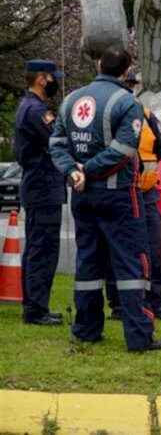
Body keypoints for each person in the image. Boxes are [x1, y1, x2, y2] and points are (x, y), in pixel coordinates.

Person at [50, 46, 161, 353]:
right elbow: (123, 150)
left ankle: (86, 329)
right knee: (130, 265)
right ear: (126, 72)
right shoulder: (127, 103)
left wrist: (73, 171)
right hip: (119, 197)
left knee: (88, 263)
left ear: (99, 64)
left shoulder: (71, 100)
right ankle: (139, 335)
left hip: (82, 194)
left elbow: (57, 143)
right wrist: (89, 168)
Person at [105, 73, 161, 323]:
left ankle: (154, 302)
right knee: (119, 250)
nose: (129, 91)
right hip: (121, 192)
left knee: (154, 250)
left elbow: (160, 150)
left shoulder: (148, 117)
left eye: (132, 87)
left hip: (147, 194)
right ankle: (118, 305)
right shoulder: (112, 118)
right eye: (126, 86)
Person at [13, 60, 66, 326]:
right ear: (42, 79)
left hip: (40, 185)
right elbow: (58, 139)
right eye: (52, 78)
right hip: (43, 186)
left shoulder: (29, 108)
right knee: (43, 249)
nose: (56, 82)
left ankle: (35, 306)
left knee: (38, 247)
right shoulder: (36, 110)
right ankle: (35, 310)